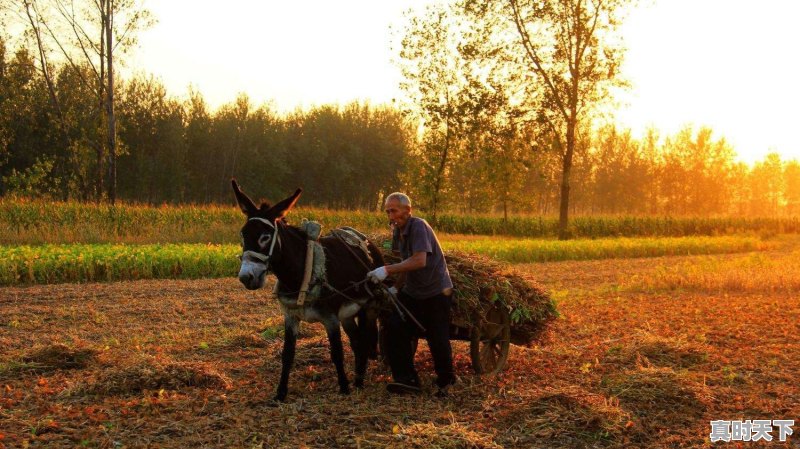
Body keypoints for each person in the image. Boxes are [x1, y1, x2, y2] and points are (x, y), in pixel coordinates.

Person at [366, 192, 456, 396]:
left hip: (436, 291)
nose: (391, 215)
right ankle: (407, 380)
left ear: (407, 210)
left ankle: (447, 379)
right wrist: (396, 288)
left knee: (437, 337)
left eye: (394, 210)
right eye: (388, 211)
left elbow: (419, 261)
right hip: (413, 292)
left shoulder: (418, 226)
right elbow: (405, 264)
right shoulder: (398, 231)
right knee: (393, 327)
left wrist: (387, 270)